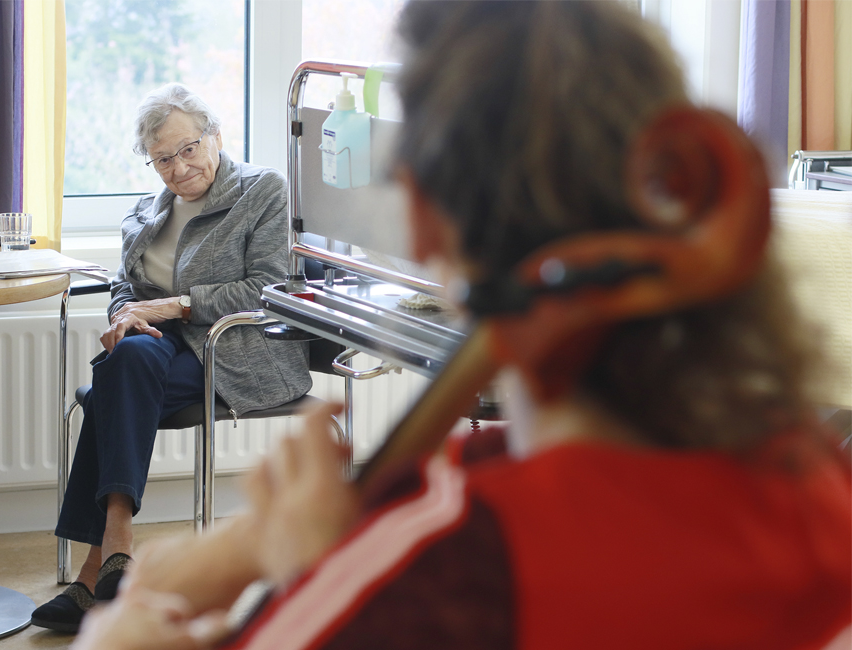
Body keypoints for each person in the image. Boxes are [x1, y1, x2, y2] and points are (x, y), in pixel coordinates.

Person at [72, 3, 852, 649]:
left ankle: (103, 573)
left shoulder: (442, 559)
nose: (177, 165)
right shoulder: (810, 494)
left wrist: (145, 622)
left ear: (427, 224)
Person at [31, 83, 311, 633]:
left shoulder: (261, 190)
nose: (179, 167)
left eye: (189, 148)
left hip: (233, 349)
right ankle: (113, 552)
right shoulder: (145, 212)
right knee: (128, 359)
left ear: (215, 137)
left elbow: (270, 287)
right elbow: (122, 285)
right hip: (159, 355)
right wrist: (123, 315)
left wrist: (177, 305)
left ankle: (100, 564)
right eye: (163, 158)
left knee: (115, 380)